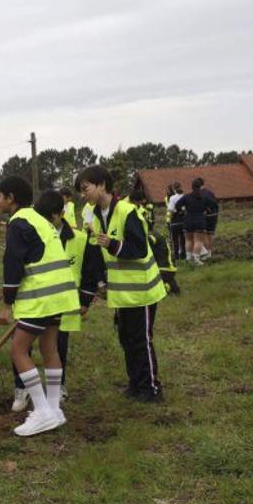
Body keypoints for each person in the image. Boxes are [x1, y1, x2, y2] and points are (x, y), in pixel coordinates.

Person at [0, 176, 82, 437]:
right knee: (49, 348)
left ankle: (43, 411)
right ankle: (54, 409)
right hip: (60, 295)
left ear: (11, 198)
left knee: (18, 351)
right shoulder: (39, 219)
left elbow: (13, 265)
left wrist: (6, 304)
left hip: (40, 298)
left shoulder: (18, 223)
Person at [79, 165, 167, 402]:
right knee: (126, 339)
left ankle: (151, 388)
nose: (82, 194)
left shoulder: (128, 212)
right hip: (122, 293)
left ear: (102, 185)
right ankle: (135, 384)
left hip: (143, 291)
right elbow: (93, 257)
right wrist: (85, 298)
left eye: (85, 188)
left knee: (141, 340)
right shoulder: (92, 215)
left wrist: (114, 245)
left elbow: (139, 248)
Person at [10, 189, 96, 413]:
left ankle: (48, 405)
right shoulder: (37, 231)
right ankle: (26, 392)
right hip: (38, 299)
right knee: (29, 348)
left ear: (60, 215)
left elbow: (90, 270)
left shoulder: (78, 238)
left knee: (48, 347)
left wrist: (86, 298)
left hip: (57, 302)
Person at [181, 178, 209, 265]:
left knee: (188, 240)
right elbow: (213, 205)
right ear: (200, 187)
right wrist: (205, 210)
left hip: (188, 220)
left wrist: (183, 209)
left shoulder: (186, 197)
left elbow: (177, 205)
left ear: (191, 187)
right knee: (198, 241)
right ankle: (196, 260)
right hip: (199, 221)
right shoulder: (204, 197)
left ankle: (188, 259)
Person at [165, 182, 186, 261]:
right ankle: (183, 256)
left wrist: (168, 220)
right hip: (183, 220)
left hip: (175, 221)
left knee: (175, 240)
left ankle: (176, 257)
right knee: (183, 239)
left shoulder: (172, 198)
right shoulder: (185, 196)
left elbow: (170, 210)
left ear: (174, 189)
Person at [202, 180, 219, 257]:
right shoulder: (210, 192)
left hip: (206, 215)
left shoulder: (200, 193)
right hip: (214, 215)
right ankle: (210, 253)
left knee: (204, 233)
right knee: (211, 233)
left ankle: (207, 252)